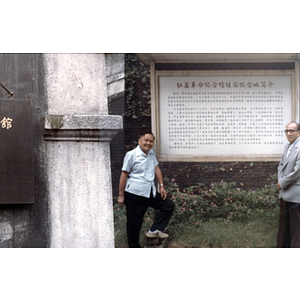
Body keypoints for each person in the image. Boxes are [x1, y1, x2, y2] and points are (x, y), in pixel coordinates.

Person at [117, 132, 175, 248]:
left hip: (150, 192)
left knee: (168, 205)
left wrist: (161, 185)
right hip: (135, 193)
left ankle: (155, 229)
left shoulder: (151, 154)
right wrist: (121, 195)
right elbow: (124, 175)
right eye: (146, 140)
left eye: (151, 141)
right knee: (134, 224)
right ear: (140, 141)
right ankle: (134, 247)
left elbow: (156, 169)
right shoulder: (131, 155)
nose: (148, 143)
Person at [277, 121, 300, 247]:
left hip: (295, 192)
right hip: (285, 191)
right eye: (287, 131)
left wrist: (282, 183)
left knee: (296, 227)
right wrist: (280, 181)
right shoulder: (288, 146)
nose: (289, 133)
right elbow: (281, 165)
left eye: (292, 131)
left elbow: (297, 171)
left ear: (299, 132)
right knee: (284, 225)